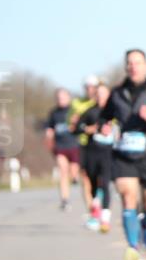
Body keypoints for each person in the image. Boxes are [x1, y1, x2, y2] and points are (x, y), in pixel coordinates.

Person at [96, 49, 146, 260]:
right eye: (130, 63)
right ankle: (132, 247)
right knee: (128, 195)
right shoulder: (117, 93)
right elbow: (105, 116)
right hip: (123, 155)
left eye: (138, 62)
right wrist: (104, 125)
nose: (133, 66)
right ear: (126, 67)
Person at [74, 82, 115, 233]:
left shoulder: (115, 111)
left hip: (109, 152)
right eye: (98, 93)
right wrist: (88, 129)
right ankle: (95, 209)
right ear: (95, 95)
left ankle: (105, 219)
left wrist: (114, 131)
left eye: (104, 93)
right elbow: (77, 128)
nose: (101, 96)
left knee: (104, 182)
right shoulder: (90, 111)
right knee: (92, 183)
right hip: (92, 151)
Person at [69, 76, 100, 224]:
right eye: (87, 87)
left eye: (92, 87)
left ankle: (100, 206)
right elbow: (71, 124)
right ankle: (92, 213)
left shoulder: (101, 101)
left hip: (101, 145)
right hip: (82, 144)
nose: (90, 90)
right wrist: (74, 123)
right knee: (85, 178)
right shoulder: (76, 103)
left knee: (99, 179)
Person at [45, 88, 81, 211]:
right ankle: (65, 199)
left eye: (63, 97)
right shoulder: (53, 113)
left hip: (74, 145)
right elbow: (50, 129)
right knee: (63, 171)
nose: (61, 99)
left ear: (68, 97)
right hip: (60, 146)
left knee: (73, 171)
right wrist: (49, 141)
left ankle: (75, 177)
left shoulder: (74, 110)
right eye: (58, 97)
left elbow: (81, 126)